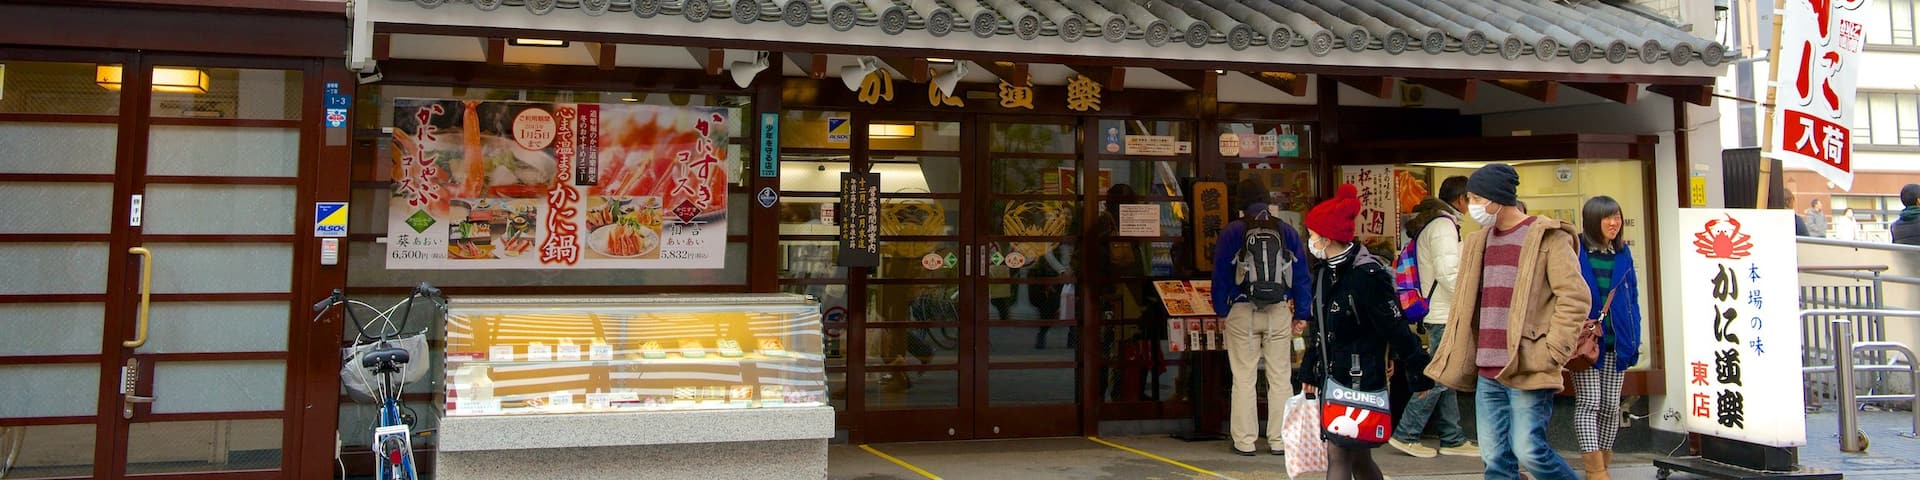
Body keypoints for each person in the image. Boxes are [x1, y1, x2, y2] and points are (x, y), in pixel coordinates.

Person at [1423, 163, 1591, 480]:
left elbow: (1575, 297)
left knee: (1529, 449)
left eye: (1475, 198)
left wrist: (1553, 350)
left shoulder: (1547, 238)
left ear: (1496, 198)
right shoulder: (1477, 242)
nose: (1471, 206)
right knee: (1494, 458)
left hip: (1527, 363)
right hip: (1488, 369)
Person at [1297, 184, 1435, 480]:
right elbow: (1319, 329)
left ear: (1328, 237)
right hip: (1332, 376)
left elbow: (1395, 326)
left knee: (1339, 452)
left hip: (1360, 375)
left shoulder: (1367, 276)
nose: (1309, 240)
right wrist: (1310, 370)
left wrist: (1417, 369)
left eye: (1312, 234)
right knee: (1357, 455)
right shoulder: (1323, 273)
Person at [1212, 179, 1313, 456]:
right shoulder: (1287, 231)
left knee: (1243, 377)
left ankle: (1245, 440)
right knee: (1280, 377)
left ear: (1240, 202)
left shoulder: (1233, 231)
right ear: (1267, 200)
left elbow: (1221, 274)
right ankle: (1280, 440)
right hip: (1279, 310)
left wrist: (1222, 309)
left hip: (1242, 309)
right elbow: (1302, 275)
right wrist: (1302, 313)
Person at [1388, 176, 1478, 458]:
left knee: (1445, 375)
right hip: (1442, 311)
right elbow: (1448, 271)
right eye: (1473, 199)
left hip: (1438, 309)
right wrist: (1470, 300)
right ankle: (1406, 433)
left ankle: (1452, 437)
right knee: (1440, 376)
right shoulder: (1443, 226)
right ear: (1462, 199)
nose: (1475, 205)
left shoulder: (1437, 223)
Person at [1572, 196, 1643, 480]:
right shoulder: (1575, 251)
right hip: (1587, 342)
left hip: (1618, 340)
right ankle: (1596, 471)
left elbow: (1632, 298)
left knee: (1611, 406)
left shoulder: (1623, 253)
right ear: (1592, 220)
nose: (1614, 223)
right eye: (1607, 218)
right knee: (1590, 401)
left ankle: (1603, 464)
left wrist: (1635, 334)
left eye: (1617, 217)